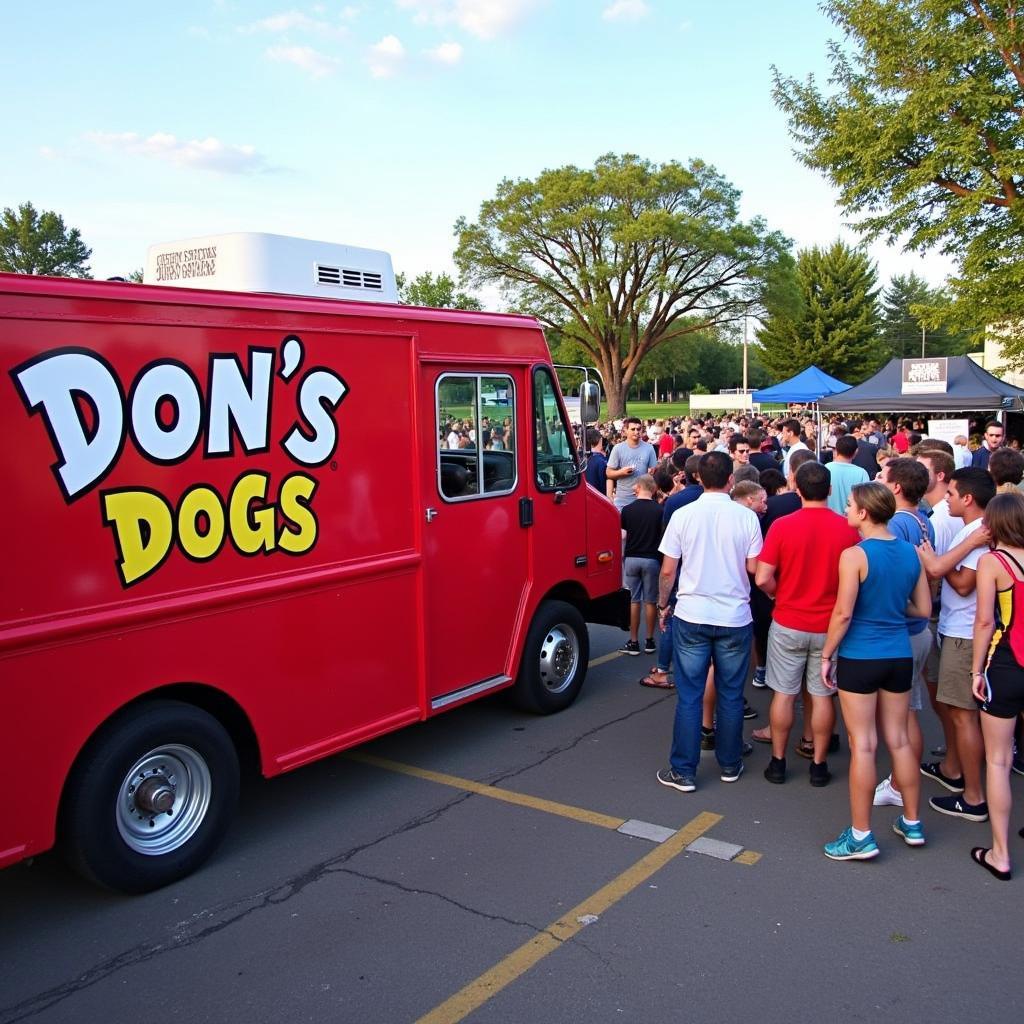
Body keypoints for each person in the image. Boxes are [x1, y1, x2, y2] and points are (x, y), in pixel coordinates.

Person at [819, 483, 932, 860]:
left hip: (861, 655)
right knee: (898, 739)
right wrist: (890, 610)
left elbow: (844, 613)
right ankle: (912, 822)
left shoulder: (854, 555)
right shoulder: (909, 552)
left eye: (850, 504)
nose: (847, 509)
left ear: (864, 512)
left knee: (863, 744)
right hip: (898, 652)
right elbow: (922, 608)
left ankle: (861, 834)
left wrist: (827, 654)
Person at [655, 451, 762, 792]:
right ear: (731, 479)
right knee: (731, 694)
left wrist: (662, 605)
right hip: (734, 615)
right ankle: (730, 763)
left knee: (690, 695)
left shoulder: (684, 514)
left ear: (698, 478)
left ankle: (683, 770)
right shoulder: (746, 518)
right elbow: (753, 568)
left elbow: (668, 570)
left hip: (692, 613)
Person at [755, 461, 859, 786]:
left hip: (788, 619)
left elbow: (762, 577)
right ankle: (818, 764)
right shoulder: (848, 529)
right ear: (829, 490)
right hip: (830, 626)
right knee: (822, 694)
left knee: (784, 694)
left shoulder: (783, 526)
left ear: (797, 489)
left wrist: (777, 594)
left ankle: (778, 761)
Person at [918, 467, 996, 822]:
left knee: (964, 717)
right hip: (959, 629)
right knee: (955, 710)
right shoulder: (974, 532)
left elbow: (964, 583)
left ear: (967, 498)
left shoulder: (978, 533)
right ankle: (953, 770)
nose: (944, 498)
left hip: (966, 634)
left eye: (950, 494)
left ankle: (974, 796)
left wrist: (935, 560)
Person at [970, 492, 1024, 880]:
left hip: (1005, 665)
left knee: (999, 760)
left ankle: (1000, 853)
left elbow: (985, 622)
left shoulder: (993, 562)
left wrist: (976, 671)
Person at [620, 475, 665, 657]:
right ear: (653, 489)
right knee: (650, 600)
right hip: (652, 559)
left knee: (634, 600)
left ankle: (633, 641)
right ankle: (649, 640)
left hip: (632, 558)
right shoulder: (659, 510)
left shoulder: (627, 510)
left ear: (638, 488)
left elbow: (623, 536)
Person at [606, 417, 658, 509]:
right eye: (633, 429)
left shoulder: (649, 448)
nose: (636, 432)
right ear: (625, 431)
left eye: (638, 429)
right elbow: (608, 473)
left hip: (643, 498)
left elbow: (654, 472)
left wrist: (652, 472)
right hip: (622, 499)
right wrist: (621, 472)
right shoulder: (618, 448)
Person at [826, 435, 870, 515]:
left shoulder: (826, 468)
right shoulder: (861, 473)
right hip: (852, 521)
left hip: (828, 519)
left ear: (836, 449)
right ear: (856, 451)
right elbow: (866, 501)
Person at [584, 427, 608, 495]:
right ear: (600, 440)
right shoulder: (601, 461)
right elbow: (604, 484)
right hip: (598, 496)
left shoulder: (581, 457)